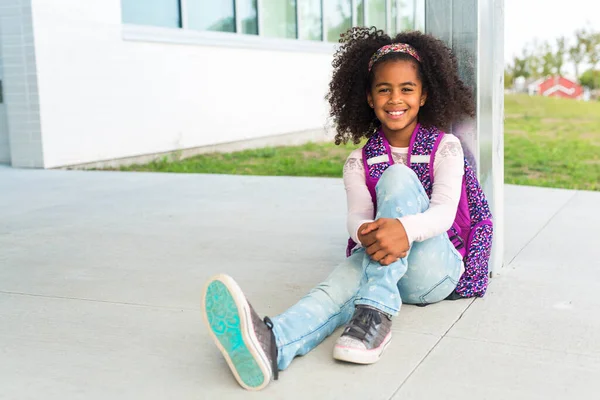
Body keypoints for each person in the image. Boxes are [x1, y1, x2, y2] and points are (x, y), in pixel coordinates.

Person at [201, 27, 488, 391]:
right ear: (369, 97)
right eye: (383, 89)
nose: (394, 98)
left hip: (437, 269)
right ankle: (273, 343)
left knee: (397, 178)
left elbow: (444, 212)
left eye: (406, 89)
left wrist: (402, 230)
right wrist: (366, 232)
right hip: (390, 269)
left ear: (424, 95)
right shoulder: (358, 161)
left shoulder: (446, 147)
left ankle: (375, 311)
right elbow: (356, 217)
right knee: (337, 283)